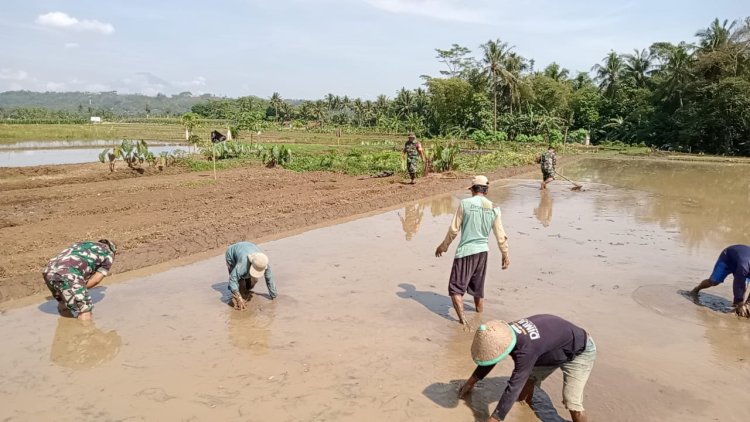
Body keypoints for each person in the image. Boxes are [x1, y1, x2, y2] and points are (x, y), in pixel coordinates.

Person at [458, 315, 596, 422]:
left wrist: (495, 418)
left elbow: (514, 386)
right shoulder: (504, 332)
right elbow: (492, 357)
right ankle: (525, 408)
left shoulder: (526, 351)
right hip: (550, 349)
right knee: (527, 383)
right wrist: (470, 383)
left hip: (580, 350)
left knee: (571, 401)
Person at [434, 175, 510, 325]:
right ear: (486, 190)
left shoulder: (465, 204)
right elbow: (501, 235)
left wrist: (443, 246)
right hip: (483, 252)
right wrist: (505, 254)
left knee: (455, 289)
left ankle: (463, 322)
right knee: (477, 289)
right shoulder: (494, 208)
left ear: (473, 190)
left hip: (466, 251)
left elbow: (454, 230)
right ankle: (479, 319)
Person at [43, 239, 117, 321]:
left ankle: (65, 325)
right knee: (84, 310)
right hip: (68, 273)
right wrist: (81, 290)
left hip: (49, 271)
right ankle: (86, 332)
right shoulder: (108, 253)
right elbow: (96, 279)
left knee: (64, 301)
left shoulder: (83, 243)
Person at [690, 244, 750, 317]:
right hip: (728, 257)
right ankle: (696, 289)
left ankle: (736, 308)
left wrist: (748, 304)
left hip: (742, 261)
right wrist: (740, 303)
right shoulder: (744, 266)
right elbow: (738, 284)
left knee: (745, 285)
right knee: (713, 282)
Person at [225, 241, 277, 310]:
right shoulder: (243, 263)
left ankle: (246, 290)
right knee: (239, 282)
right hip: (231, 253)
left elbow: (269, 279)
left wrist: (274, 296)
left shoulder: (263, 263)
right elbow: (232, 278)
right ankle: (240, 294)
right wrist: (239, 298)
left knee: (253, 281)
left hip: (248, 247)